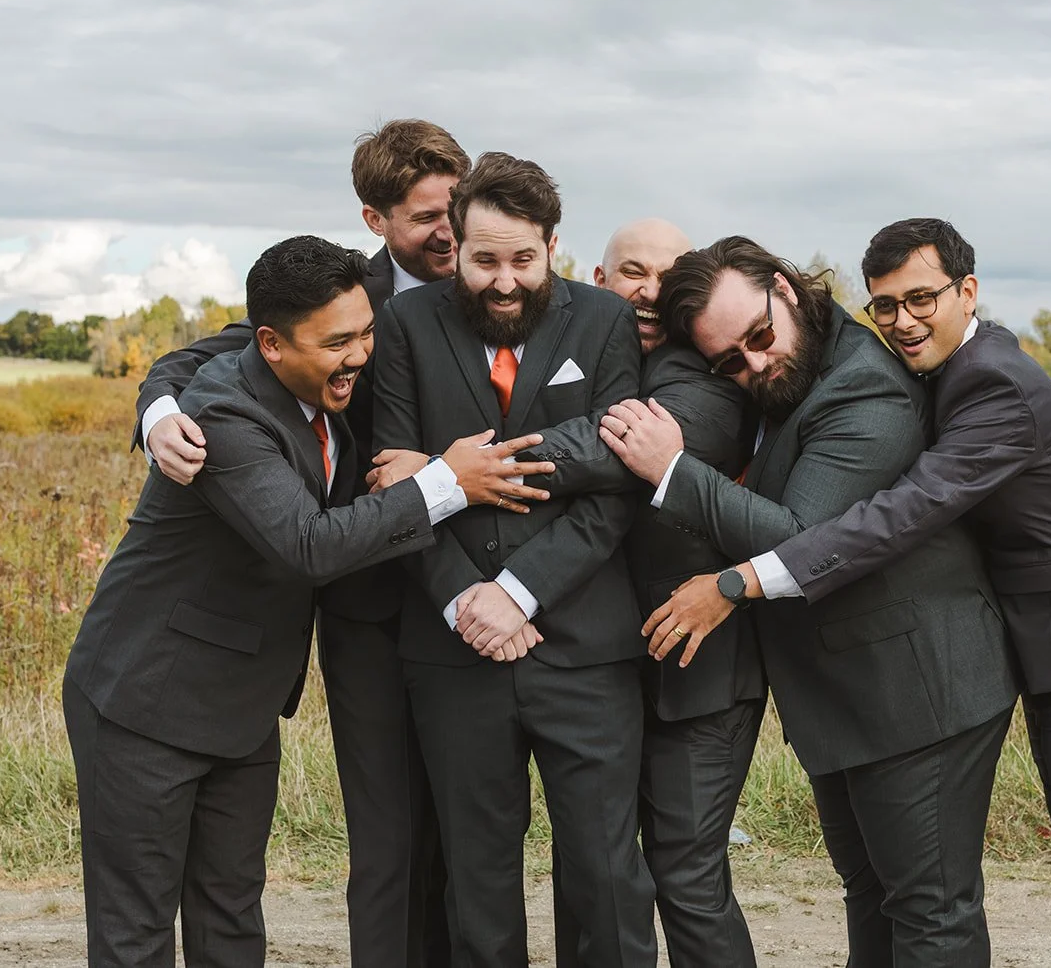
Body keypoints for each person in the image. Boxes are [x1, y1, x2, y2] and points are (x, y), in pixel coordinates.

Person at [646, 219, 1051, 968]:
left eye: (922, 298)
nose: (904, 321)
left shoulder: (989, 381)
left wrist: (732, 577)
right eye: (887, 305)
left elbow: (894, 517)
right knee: (905, 894)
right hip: (1018, 638)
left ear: (969, 290)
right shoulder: (922, 367)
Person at [64, 236, 549, 968]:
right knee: (136, 933)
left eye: (366, 332)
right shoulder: (223, 415)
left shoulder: (327, 391)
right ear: (272, 343)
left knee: (232, 913)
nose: (361, 354)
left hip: (243, 703)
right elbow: (309, 545)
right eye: (339, 342)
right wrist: (447, 482)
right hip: (143, 699)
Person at [602, 237, 1018, 965]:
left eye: (760, 337)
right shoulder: (791, 377)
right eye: (730, 361)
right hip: (846, 696)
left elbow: (801, 535)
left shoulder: (866, 388)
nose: (754, 364)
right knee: (870, 889)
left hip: (917, 690)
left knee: (930, 910)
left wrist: (672, 469)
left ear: (787, 288)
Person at [131, 120, 471, 968]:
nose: (451, 232)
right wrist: (157, 413)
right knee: (386, 839)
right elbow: (196, 359)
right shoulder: (345, 299)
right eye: (427, 215)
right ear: (375, 220)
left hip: (483, 603)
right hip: (367, 605)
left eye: (456, 208)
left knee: (476, 835)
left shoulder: (503, 281)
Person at [368, 153, 657, 967]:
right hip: (452, 648)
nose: (503, 281)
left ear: (553, 246)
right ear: (454, 246)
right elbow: (395, 485)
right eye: (484, 259)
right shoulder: (404, 324)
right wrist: (466, 598)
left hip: (586, 646)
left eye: (522, 260)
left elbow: (616, 485)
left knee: (606, 877)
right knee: (476, 884)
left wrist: (518, 591)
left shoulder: (603, 322)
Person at [542, 219, 765, 967]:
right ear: (598, 281)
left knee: (686, 873)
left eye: (668, 276)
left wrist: (473, 462)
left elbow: (617, 454)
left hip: (698, 671)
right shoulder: (564, 345)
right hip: (593, 667)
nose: (649, 289)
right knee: (590, 866)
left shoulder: (707, 375)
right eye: (631, 271)